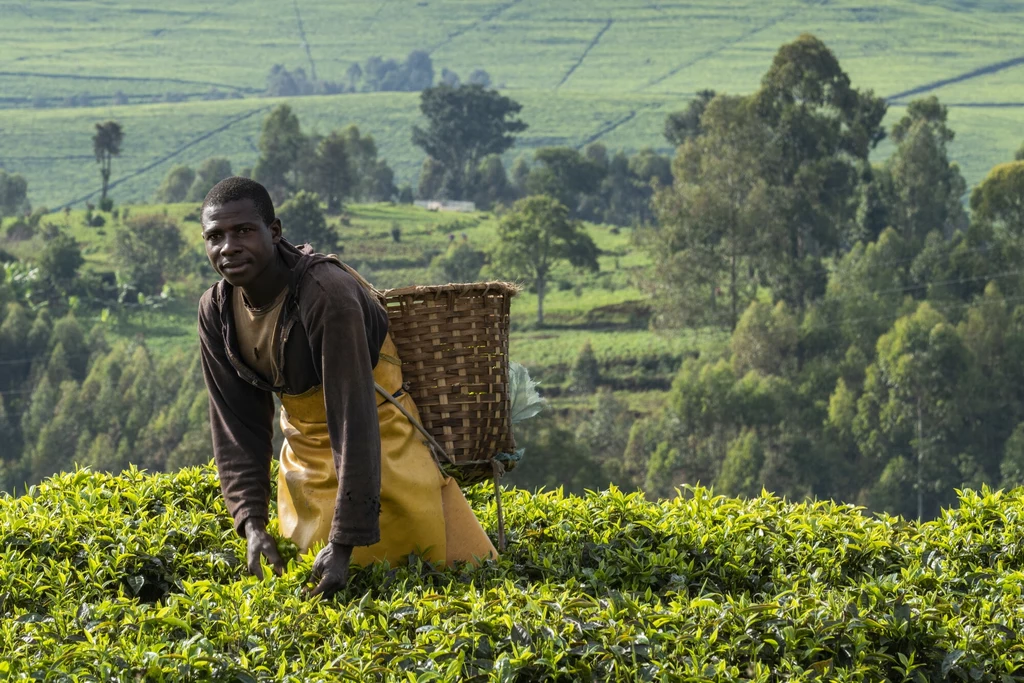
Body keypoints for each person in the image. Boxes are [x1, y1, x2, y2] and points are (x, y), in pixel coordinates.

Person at [197, 177, 497, 598]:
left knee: (416, 583)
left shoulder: (326, 295)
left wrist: (344, 544)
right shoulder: (217, 310)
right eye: (215, 236)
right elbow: (236, 427)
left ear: (275, 231)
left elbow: (354, 420)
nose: (229, 246)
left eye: (243, 231)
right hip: (304, 462)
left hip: (382, 452)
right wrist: (251, 523)